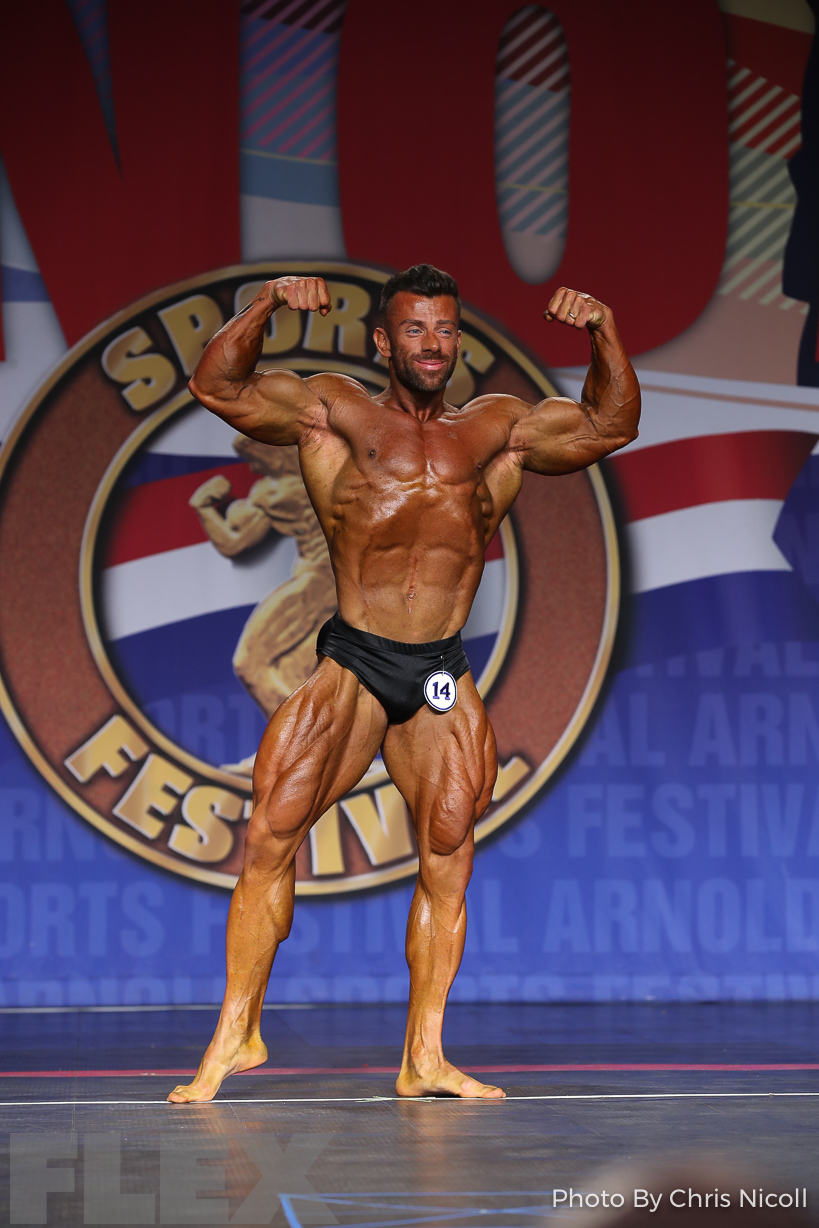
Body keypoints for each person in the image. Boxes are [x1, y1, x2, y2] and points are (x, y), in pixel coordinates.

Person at [168, 264, 640, 1104]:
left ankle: (423, 1056)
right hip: (355, 658)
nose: (432, 344)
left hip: (438, 673)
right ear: (384, 342)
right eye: (415, 329)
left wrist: (603, 330)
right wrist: (266, 302)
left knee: (447, 856)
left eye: (445, 329)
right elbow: (217, 386)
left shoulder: (496, 427)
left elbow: (610, 425)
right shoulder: (334, 412)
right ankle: (237, 1031)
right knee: (272, 834)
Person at [189, 436, 336, 772]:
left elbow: (234, 542)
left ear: (272, 454)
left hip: (318, 582)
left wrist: (204, 507)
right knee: (293, 675)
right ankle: (312, 759)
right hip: (345, 588)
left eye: (254, 459)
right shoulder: (331, 479)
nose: (253, 468)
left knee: (250, 664)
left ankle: (306, 757)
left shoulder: (275, 492)